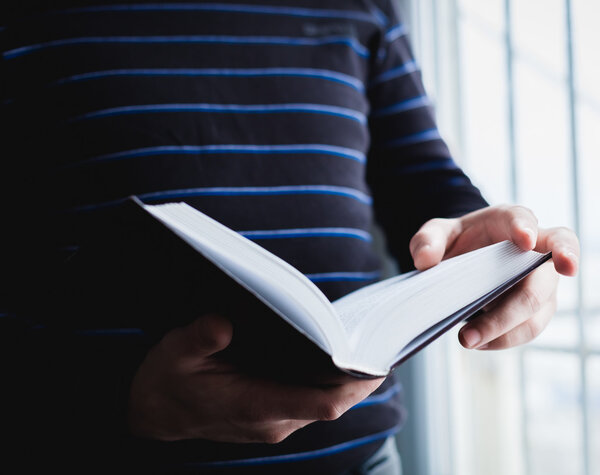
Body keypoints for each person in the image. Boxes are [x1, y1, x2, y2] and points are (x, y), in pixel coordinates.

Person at [0, 1, 579, 473]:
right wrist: (114, 402)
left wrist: (499, 254)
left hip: (362, 459)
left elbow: (426, 182)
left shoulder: (363, 8)